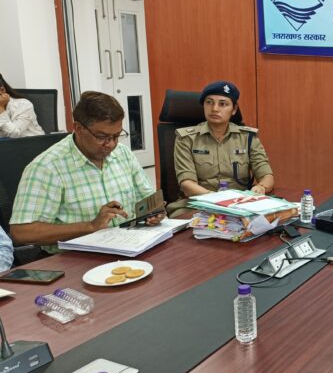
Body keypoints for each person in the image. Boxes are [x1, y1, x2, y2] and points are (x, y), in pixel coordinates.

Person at [9, 91, 162, 253]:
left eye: (117, 136)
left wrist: (155, 213)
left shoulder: (123, 153)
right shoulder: (48, 167)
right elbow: (22, 232)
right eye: (102, 136)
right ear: (78, 128)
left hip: (130, 248)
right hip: (76, 259)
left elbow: (147, 198)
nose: (111, 144)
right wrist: (90, 226)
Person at [169, 81, 274, 216]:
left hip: (240, 205)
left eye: (223, 104)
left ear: (234, 109)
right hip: (199, 204)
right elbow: (187, 184)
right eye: (209, 102)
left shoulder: (247, 137)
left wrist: (261, 187)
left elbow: (267, 176)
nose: (214, 109)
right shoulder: (186, 139)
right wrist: (218, 200)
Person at [0, 72, 45, 138]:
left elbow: (14, 134)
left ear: (2, 90)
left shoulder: (23, 104)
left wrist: (1, 108)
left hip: (32, 142)